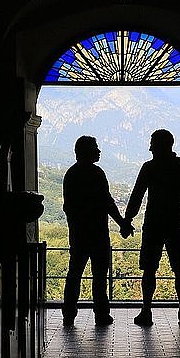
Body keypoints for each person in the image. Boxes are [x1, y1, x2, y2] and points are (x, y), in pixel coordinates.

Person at [123, 129, 180, 326]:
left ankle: (146, 310)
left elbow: (137, 196)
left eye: (152, 144)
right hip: (177, 226)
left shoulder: (149, 168)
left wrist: (127, 220)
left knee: (149, 269)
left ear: (158, 146)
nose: (149, 147)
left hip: (153, 225)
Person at [62, 135, 133, 327]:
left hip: (78, 234)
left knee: (74, 273)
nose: (99, 151)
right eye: (95, 147)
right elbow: (108, 202)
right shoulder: (97, 174)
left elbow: (69, 207)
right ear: (87, 151)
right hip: (99, 234)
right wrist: (122, 223)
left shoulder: (71, 175)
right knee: (100, 276)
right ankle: (101, 314)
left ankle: (69, 313)